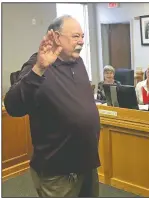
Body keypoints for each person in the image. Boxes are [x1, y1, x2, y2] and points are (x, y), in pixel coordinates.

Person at [4, 15, 100, 197]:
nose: (81, 42)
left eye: (82, 36)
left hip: (87, 165)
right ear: (56, 37)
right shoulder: (38, 64)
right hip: (59, 174)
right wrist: (39, 69)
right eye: (75, 36)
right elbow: (12, 106)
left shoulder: (78, 62)